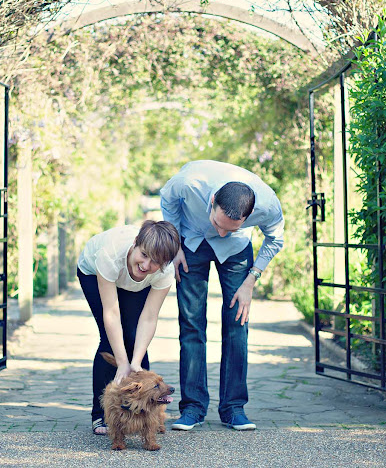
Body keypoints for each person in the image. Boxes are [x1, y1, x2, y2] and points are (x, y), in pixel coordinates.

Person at [160, 160, 284, 431]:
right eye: (218, 222)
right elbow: (167, 200)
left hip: (237, 252)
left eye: (231, 226)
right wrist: (174, 245)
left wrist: (252, 279)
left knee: (237, 323)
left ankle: (233, 408)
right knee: (191, 324)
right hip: (190, 242)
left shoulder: (267, 203)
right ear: (213, 200)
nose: (221, 232)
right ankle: (192, 407)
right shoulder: (188, 182)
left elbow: (276, 238)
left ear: (249, 216)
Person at [77, 220, 180, 435]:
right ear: (136, 243)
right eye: (143, 255)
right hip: (93, 273)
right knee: (110, 341)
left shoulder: (163, 272)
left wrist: (134, 362)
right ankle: (101, 415)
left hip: (137, 283)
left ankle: (149, 415)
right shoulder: (110, 253)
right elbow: (112, 313)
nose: (146, 265)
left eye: (155, 262)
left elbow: (149, 318)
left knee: (134, 342)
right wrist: (122, 363)